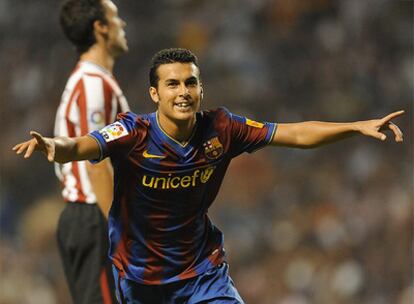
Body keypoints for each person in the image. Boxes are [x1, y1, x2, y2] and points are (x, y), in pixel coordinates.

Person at [13, 48, 404, 304]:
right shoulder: (133, 132)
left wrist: (355, 126)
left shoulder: (222, 128)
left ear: (200, 88)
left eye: (190, 82)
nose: (183, 92)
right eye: (172, 84)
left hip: (202, 273)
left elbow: (294, 133)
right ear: (154, 93)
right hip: (140, 281)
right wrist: (55, 145)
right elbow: (88, 144)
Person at [52, 0, 129, 303]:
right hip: (95, 217)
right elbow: (96, 162)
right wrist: (122, 232)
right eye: (116, 17)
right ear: (100, 27)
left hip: (91, 217)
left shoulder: (93, 81)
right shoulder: (92, 85)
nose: (122, 24)